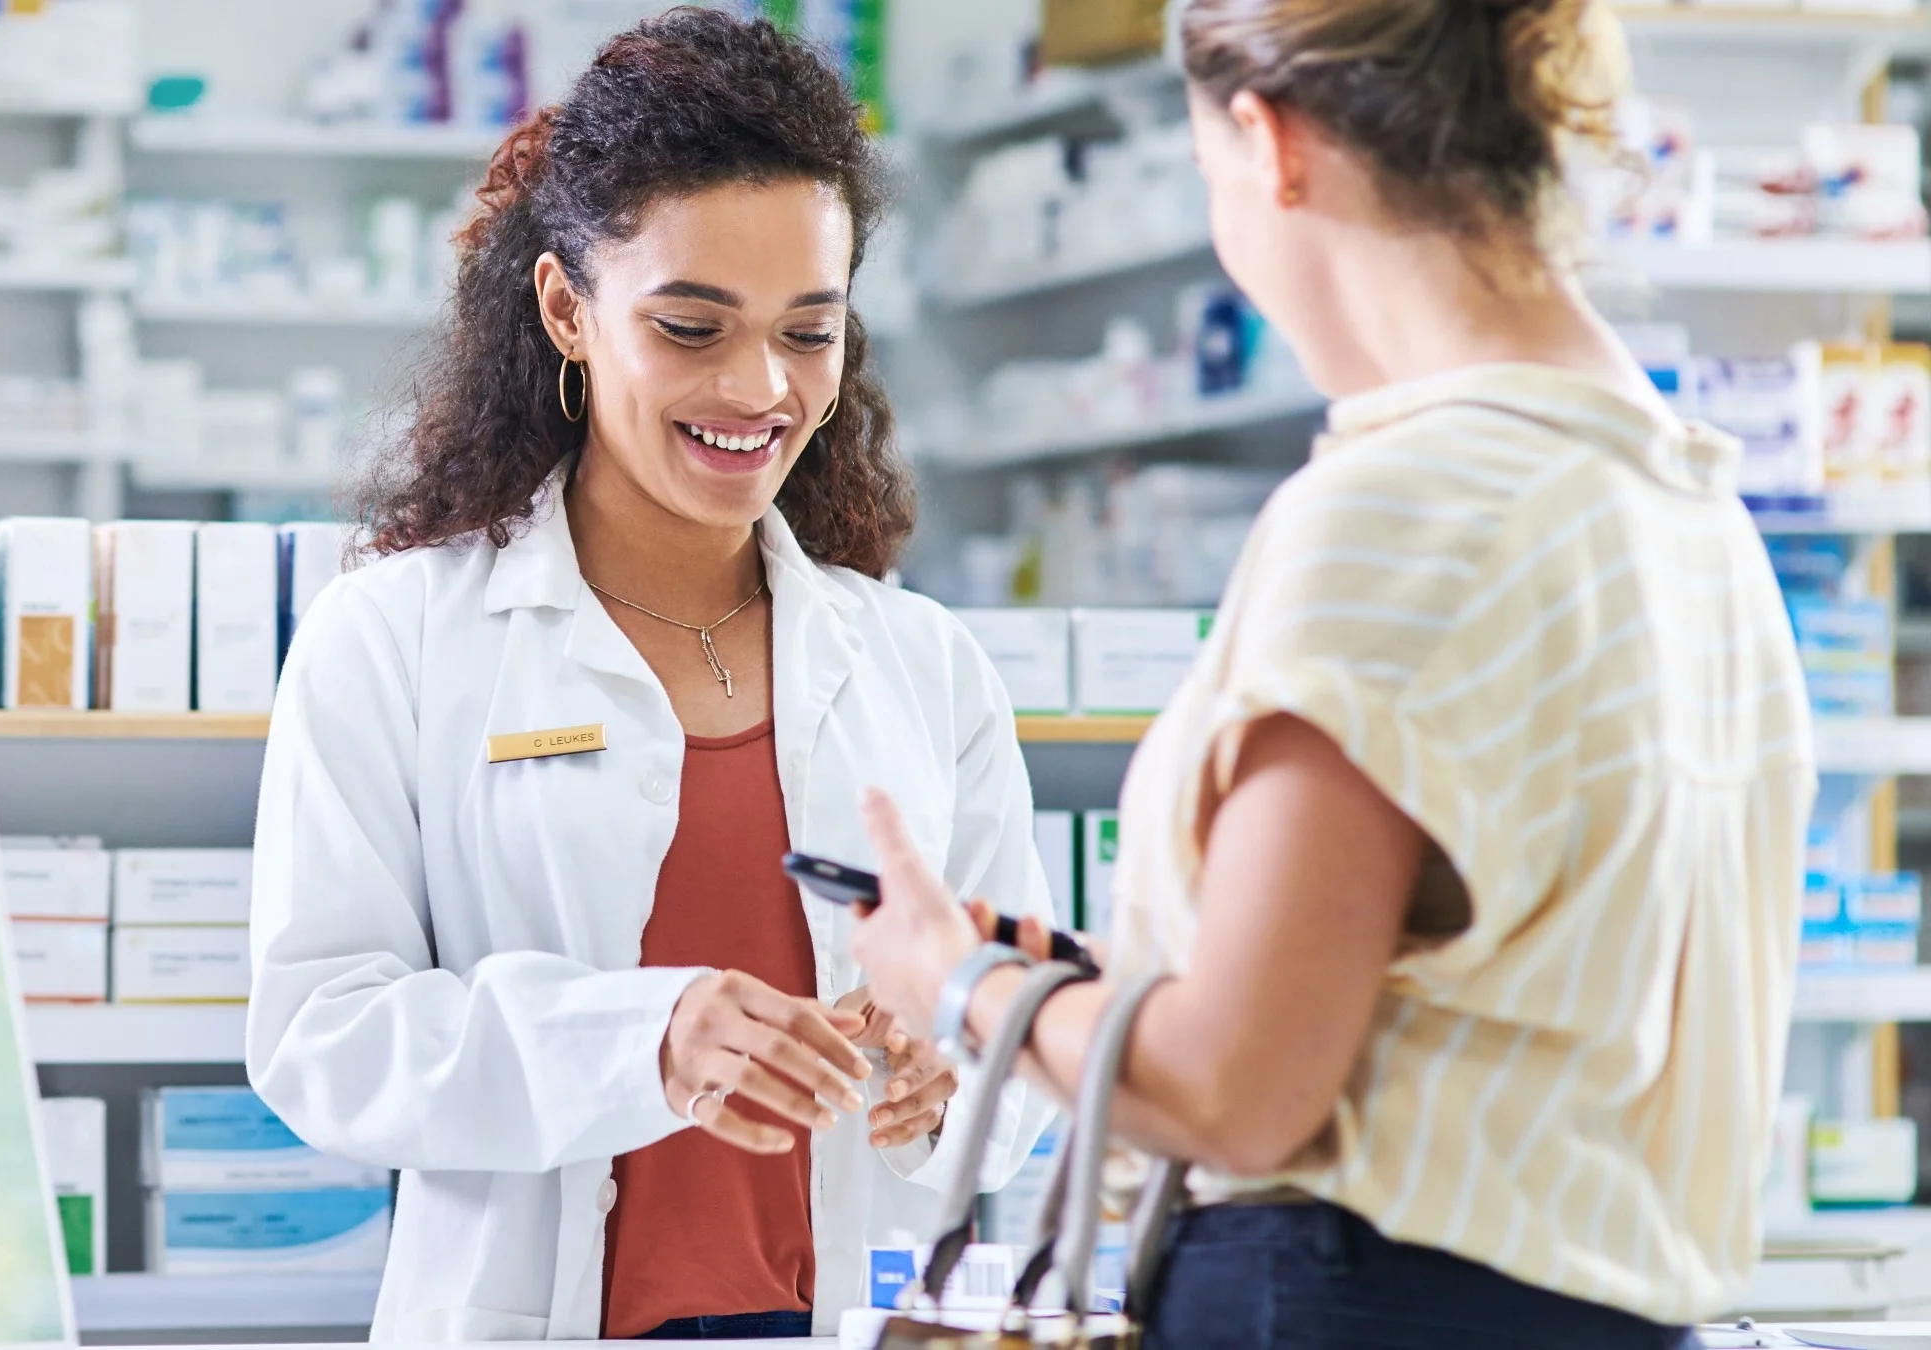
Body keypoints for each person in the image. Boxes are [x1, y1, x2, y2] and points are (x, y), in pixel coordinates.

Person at [851, 1, 1811, 1346]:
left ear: (1269, 141)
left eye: (1208, 175)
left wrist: (955, 980)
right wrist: (1108, 972)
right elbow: (1471, 1000)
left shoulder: (1408, 506)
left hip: (1352, 1302)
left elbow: (1235, 1092)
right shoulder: (1685, 509)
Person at [246, 10, 1053, 1343]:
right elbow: (323, 1033)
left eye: (810, 331)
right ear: (569, 307)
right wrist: (644, 1038)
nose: (759, 387)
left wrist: (947, 1074)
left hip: (855, 1311)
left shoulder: (923, 664)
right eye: (691, 326)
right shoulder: (393, 639)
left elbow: (1019, 1005)